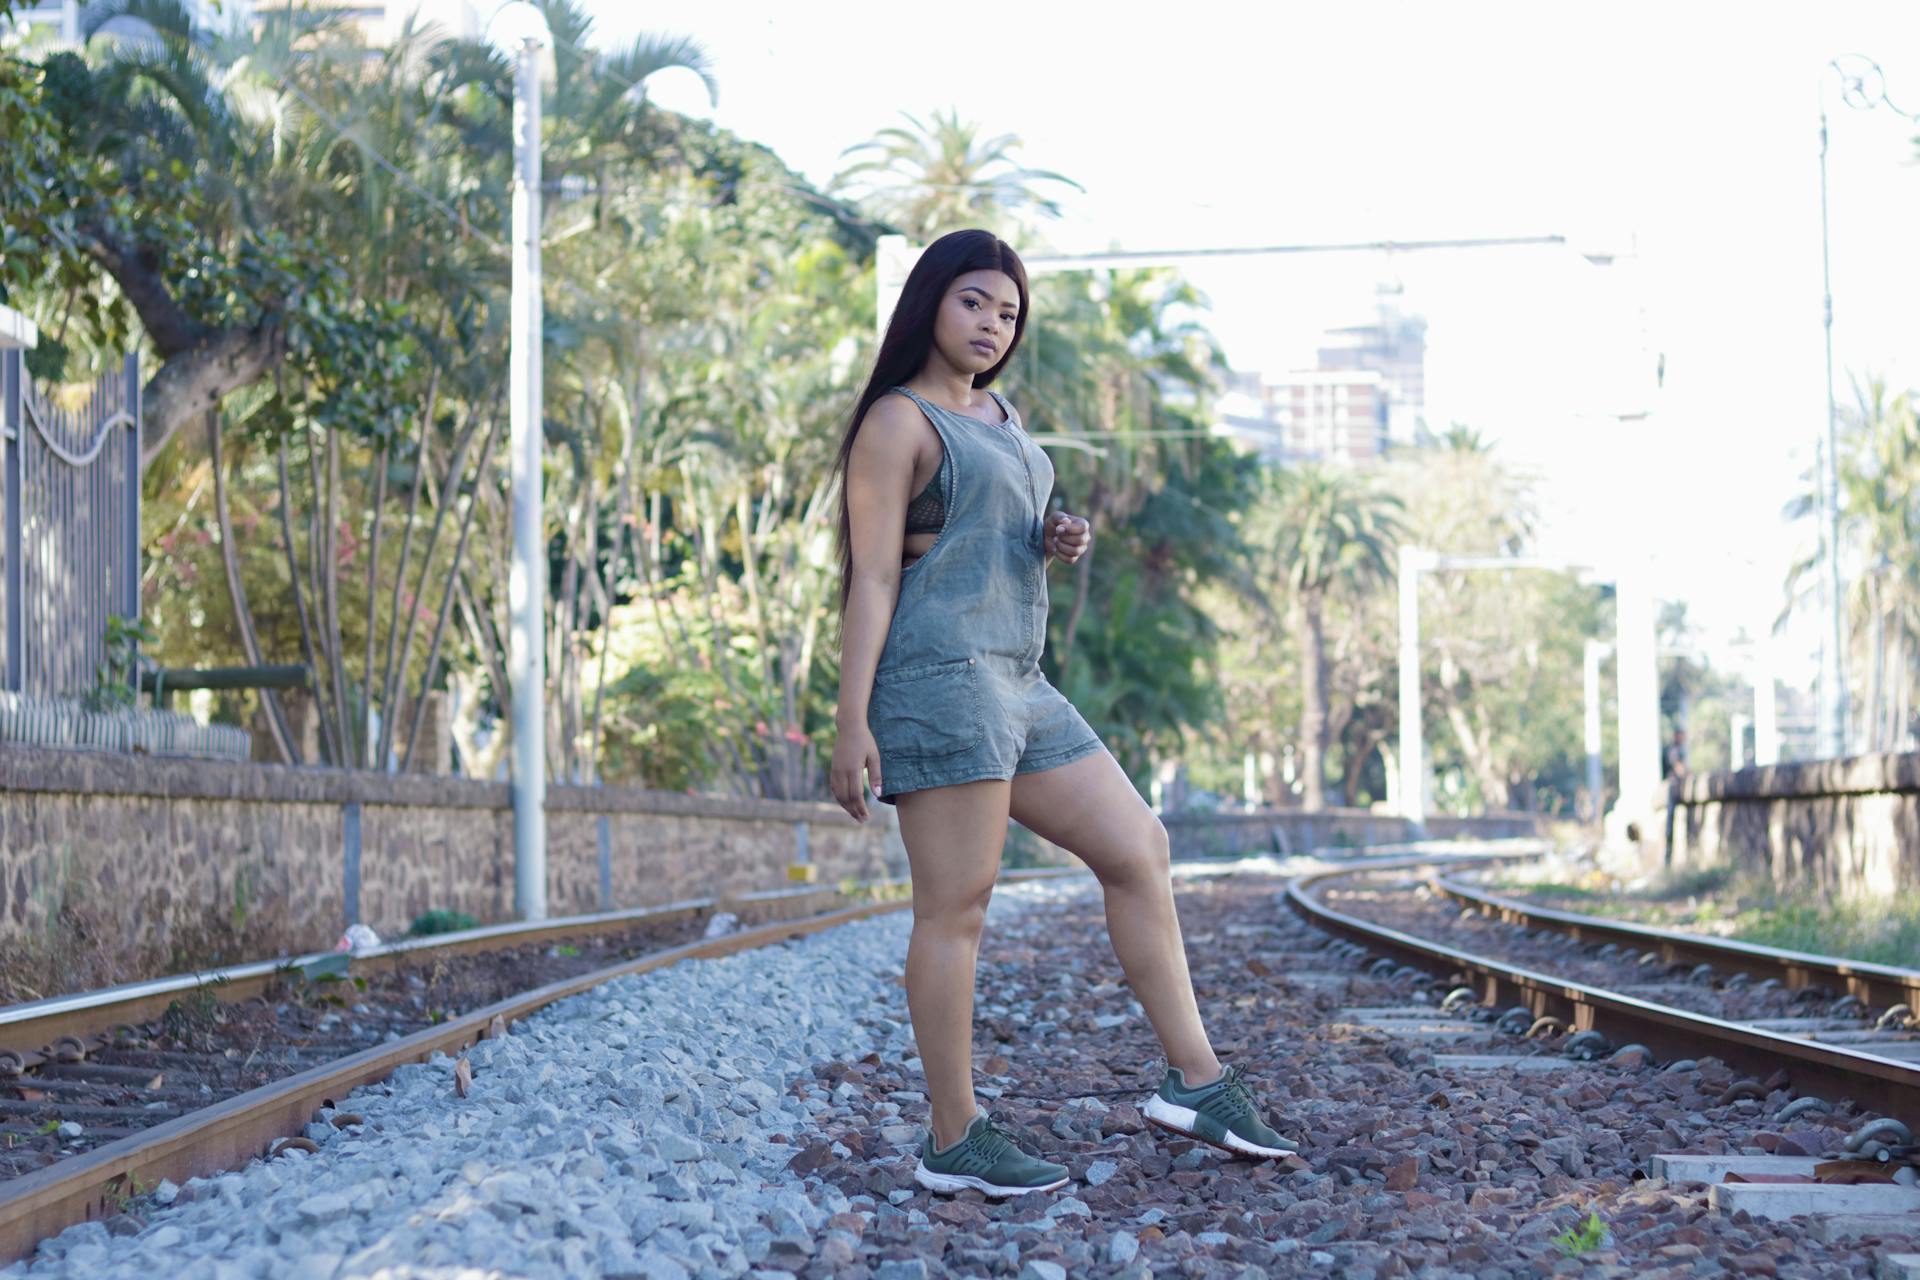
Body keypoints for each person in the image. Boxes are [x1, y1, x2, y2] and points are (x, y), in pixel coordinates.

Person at [828, 228, 1299, 1199]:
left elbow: (985, 533)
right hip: (941, 676)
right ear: (930, 304)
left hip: (1020, 677)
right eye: (974, 303)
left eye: (1007, 311)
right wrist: (850, 721)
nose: (992, 325)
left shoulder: (1003, 416)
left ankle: (1196, 1081)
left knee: (1138, 846)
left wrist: (1053, 535)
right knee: (958, 905)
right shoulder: (897, 422)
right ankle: (953, 1133)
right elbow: (875, 574)